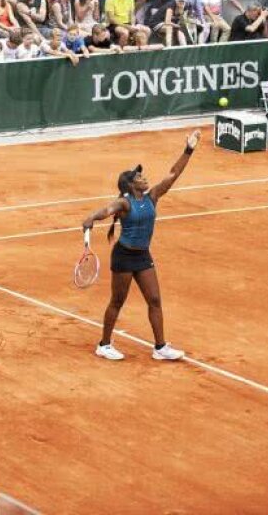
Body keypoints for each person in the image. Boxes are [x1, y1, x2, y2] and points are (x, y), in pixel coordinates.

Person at [82, 131, 201, 362]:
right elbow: (106, 210)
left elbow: (173, 174)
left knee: (154, 299)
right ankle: (104, 344)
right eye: (139, 177)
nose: (144, 178)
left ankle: (160, 347)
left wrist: (188, 150)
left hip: (143, 256)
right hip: (124, 257)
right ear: (129, 184)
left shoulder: (152, 196)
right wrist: (91, 218)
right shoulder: (124, 202)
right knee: (117, 301)